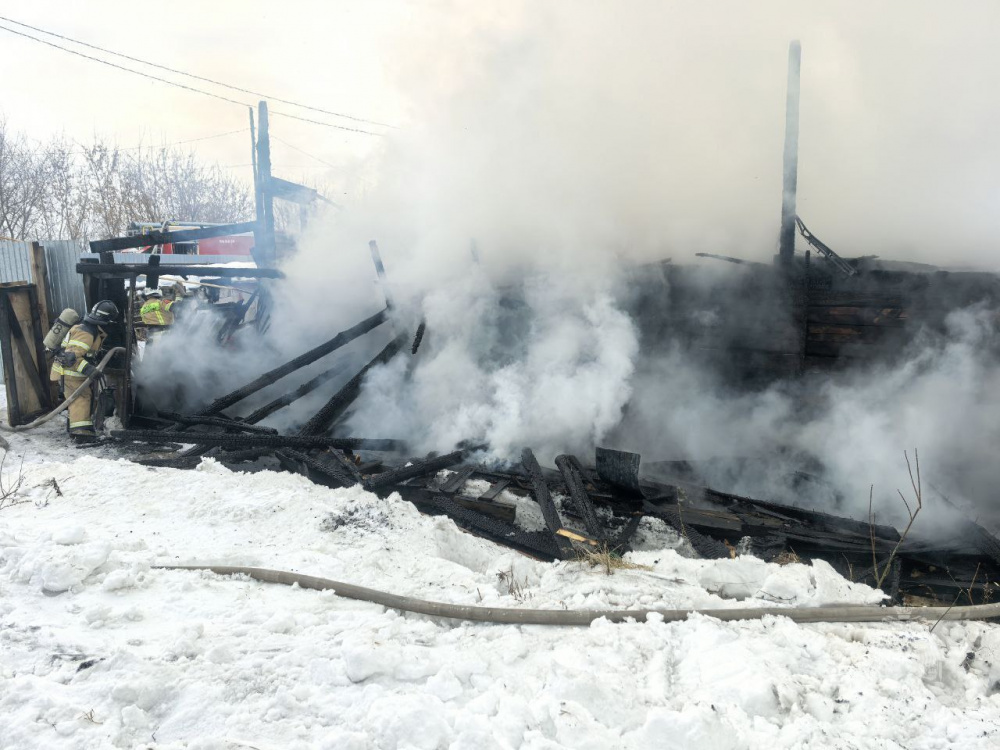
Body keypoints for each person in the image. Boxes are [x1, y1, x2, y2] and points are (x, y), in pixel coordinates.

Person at [49, 300, 119, 441]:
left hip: (71, 372)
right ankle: (80, 432)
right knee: (81, 398)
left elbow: (85, 352)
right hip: (70, 372)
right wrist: (89, 370)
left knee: (83, 398)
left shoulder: (91, 328)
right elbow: (70, 358)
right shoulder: (86, 332)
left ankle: (81, 428)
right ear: (106, 319)